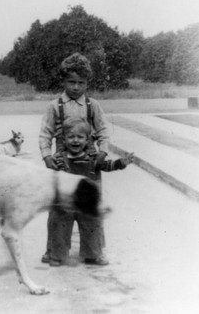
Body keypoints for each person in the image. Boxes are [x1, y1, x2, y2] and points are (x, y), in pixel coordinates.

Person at [39, 52, 110, 264]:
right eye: (71, 82)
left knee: (90, 207)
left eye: (81, 83)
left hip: (89, 165)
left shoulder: (93, 105)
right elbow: (45, 133)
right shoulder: (54, 106)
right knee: (60, 209)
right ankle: (54, 251)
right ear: (63, 81)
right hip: (63, 164)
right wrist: (47, 156)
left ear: (87, 83)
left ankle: (94, 252)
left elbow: (104, 131)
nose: (76, 87)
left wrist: (102, 152)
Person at [48, 116, 134, 266]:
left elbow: (107, 166)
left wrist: (121, 163)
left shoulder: (93, 157)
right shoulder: (59, 158)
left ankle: (92, 254)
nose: (75, 140)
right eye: (71, 137)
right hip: (65, 201)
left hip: (87, 201)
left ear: (87, 140)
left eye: (80, 137)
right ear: (64, 139)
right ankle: (57, 255)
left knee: (91, 226)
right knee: (60, 227)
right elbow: (53, 177)